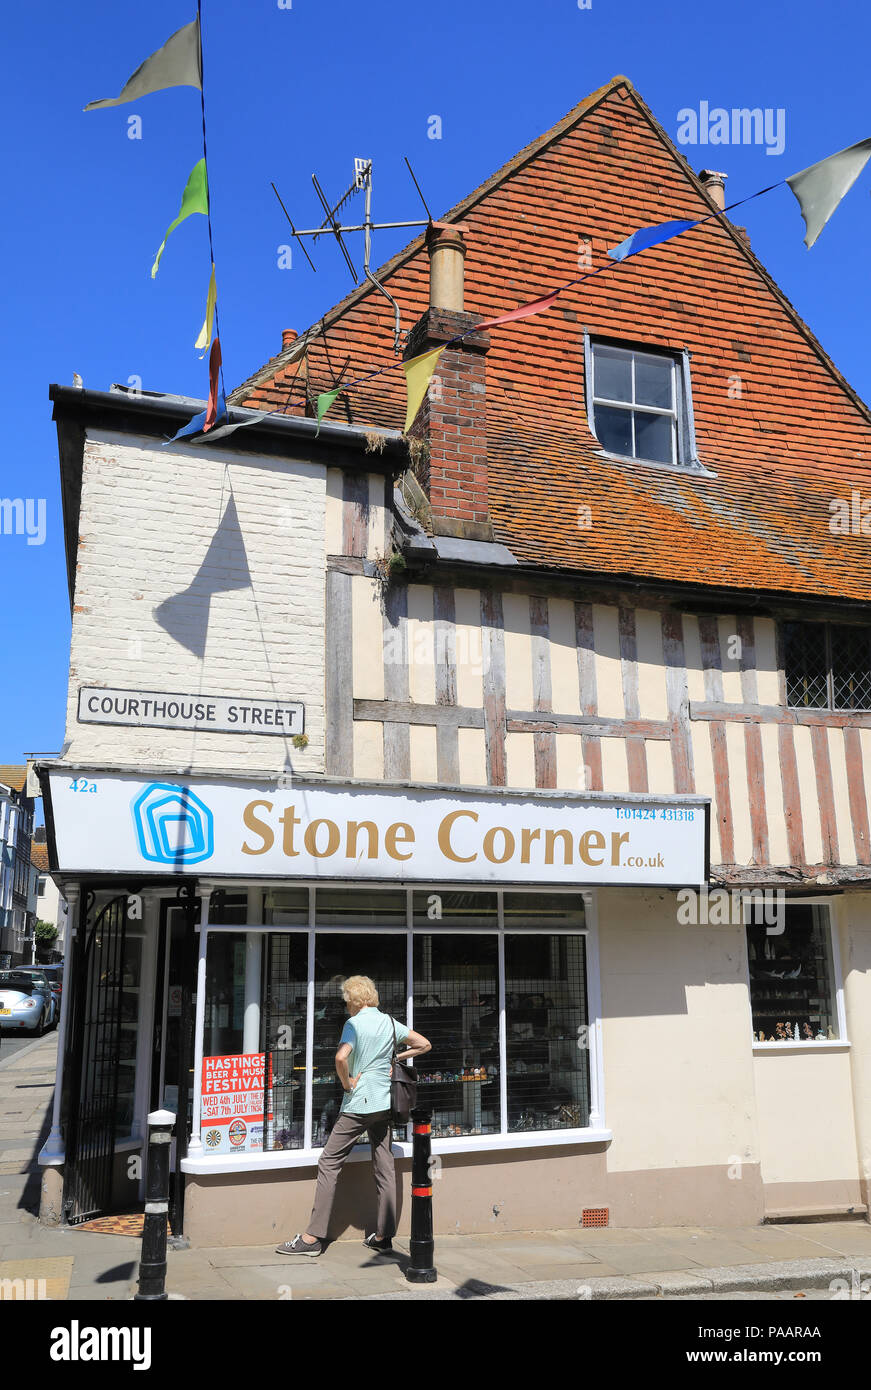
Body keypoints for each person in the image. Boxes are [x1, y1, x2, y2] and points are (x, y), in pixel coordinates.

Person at [276, 974, 431, 1256]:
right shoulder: (388, 1022)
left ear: (353, 1001)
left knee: (328, 1162)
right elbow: (423, 1044)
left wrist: (347, 1083)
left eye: (346, 1000)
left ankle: (312, 1238)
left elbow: (340, 1058)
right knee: (384, 1165)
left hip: (359, 1104)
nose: (345, 1006)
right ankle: (383, 1236)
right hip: (384, 1103)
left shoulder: (354, 1024)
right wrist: (397, 1059)